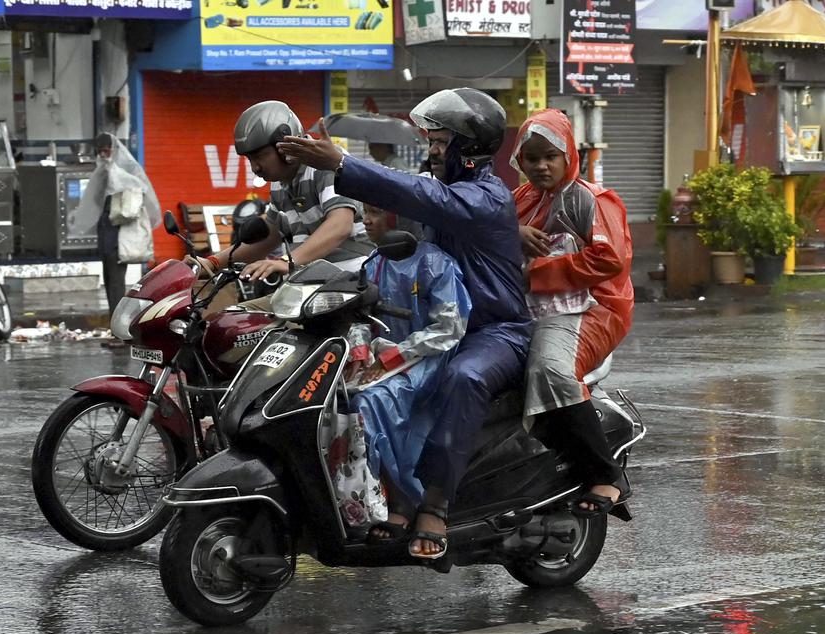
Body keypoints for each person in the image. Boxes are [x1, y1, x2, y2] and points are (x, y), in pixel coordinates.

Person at [279, 88, 530, 560]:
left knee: (463, 377)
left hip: (493, 333)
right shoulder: (448, 191)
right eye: (431, 142)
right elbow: (393, 228)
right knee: (355, 385)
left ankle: (434, 505)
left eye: (439, 142)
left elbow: (415, 194)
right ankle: (376, 498)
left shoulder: (484, 196)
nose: (432, 151)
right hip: (436, 327)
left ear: (467, 147)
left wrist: (342, 162)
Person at [511, 109, 634, 517]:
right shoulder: (521, 200)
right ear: (519, 161)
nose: (541, 165)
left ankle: (607, 474)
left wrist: (537, 271)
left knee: (549, 369)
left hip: (594, 308)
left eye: (551, 156)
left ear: (568, 157)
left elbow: (609, 260)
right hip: (532, 309)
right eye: (532, 158)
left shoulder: (589, 199)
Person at [352, 202, 472, 542]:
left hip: (429, 359)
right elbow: (359, 317)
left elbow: (450, 327)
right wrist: (361, 348)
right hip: (385, 360)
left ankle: (399, 502)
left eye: (376, 211)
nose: (367, 219)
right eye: (365, 211)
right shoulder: (373, 262)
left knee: (370, 403)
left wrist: (396, 355)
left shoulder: (435, 262)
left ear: (401, 216)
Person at [193, 101, 372, 286]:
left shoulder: (324, 163)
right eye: (250, 159)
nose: (255, 167)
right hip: (309, 288)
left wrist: (285, 261)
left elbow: (340, 225)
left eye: (260, 156)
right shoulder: (280, 183)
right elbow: (269, 236)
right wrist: (212, 263)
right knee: (236, 314)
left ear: (285, 145)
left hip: (350, 283)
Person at [72, 133, 160, 318]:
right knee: (109, 276)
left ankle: (119, 323)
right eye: (100, 151)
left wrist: (113, 172)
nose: (103, 155)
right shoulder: (102, 171)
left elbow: (135, 194)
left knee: (116, 280)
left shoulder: (125, 169)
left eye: (106, 150)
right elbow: (95, 199)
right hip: (106, 230)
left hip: (119, 233)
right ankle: (115, 320)